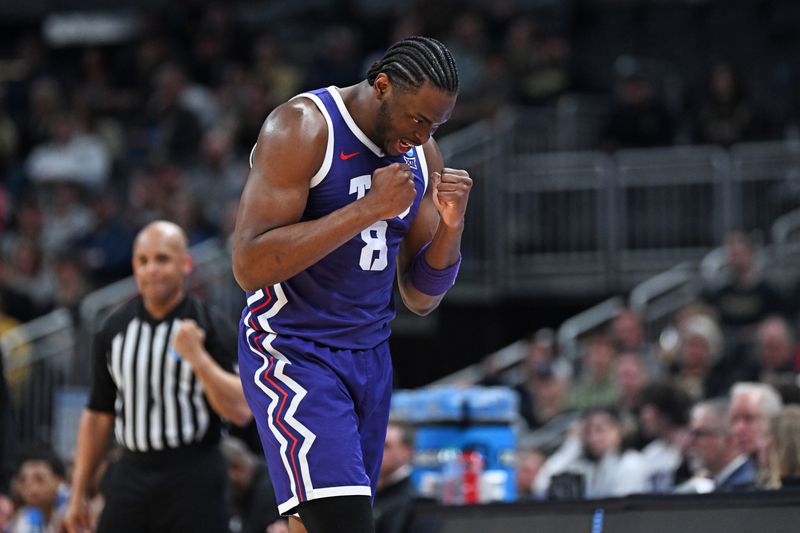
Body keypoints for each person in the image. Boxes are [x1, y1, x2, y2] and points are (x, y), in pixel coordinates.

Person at [232, 36, 469, 533]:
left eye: (436, 125)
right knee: (343, 522)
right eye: (417, 120)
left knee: (313, 523)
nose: (424, 136)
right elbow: (249, 265)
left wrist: (451, 227)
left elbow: (421, 296)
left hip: (370, 359)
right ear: (381, 86)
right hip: (295, 350)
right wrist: (365, 211)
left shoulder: (422, 155)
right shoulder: (302, 127)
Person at [64, 220, 253, 533]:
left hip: (194, 470)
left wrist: (198, 357)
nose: (152, 269)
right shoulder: (113, 330)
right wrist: (77, 493)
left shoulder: (211, 324)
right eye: (143, 261)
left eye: (162, 259)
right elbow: (98, 415)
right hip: (132, 469)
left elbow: (241, 409)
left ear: (186, 264)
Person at [678, 399, 756, 493]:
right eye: (690, 434)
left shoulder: (747, 486)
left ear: (729, 440)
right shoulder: (713, 484)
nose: (689, 442)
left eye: (699, 434)